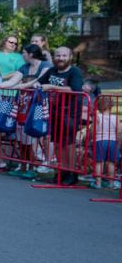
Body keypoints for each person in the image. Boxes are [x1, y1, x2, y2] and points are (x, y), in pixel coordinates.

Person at [0, 44, 53, 179]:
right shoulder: (24, 67)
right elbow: (12, 81)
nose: (21, 55)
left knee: (32, 140)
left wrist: (19, 86)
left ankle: (33, 166)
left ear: (31, 54)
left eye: (23, 53)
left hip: (38, 105)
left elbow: (37, 81)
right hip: (23, 108)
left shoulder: (45, 65)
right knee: (22, 140)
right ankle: (22, 166)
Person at [36, 46, 84, 186]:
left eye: (64, 56)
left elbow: (74, 89)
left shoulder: (74, 72)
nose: (60, 58)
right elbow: (40, 81)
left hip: (70, 113)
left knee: (68, 144)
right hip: (55, 112)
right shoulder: (52, 70)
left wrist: (52, 87)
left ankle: (71, 173)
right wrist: (35, 85)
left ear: (70, 57)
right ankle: (61, 171)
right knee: (57, 143)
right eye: (58, 55)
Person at [90, 92, 119, 190]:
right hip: (112, 141)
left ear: (98, 106)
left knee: (99, 162)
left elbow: (92, 130)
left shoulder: (98, 117)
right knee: (111, 162)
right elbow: (119, 131)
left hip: (100, 141)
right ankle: (111, 182)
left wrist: (90, 137)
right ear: (111, 106)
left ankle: (98, 183)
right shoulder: (115, 118)